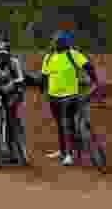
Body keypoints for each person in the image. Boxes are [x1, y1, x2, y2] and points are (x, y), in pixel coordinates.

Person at [40, 29, 100, 166]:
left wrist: (94, 81)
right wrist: (43, 91)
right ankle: (62, 151)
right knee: (60, 124)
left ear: (66, 43)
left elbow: (88, 67)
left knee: (67, 123)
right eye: (56, 42)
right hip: (53, 95)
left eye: (60, 42)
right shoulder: (49, 57)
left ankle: (69, 154)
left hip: (70, 95)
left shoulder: (73, 55)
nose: (57, 44)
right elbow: (44, 77)